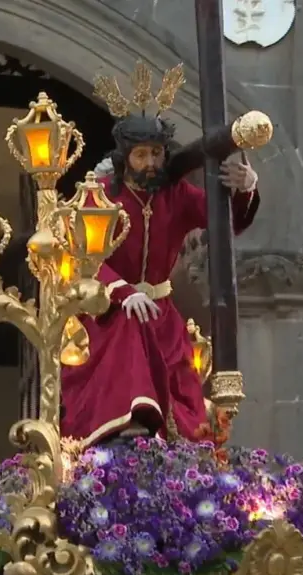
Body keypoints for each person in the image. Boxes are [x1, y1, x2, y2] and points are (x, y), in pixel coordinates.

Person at [61, 63, 261, 448]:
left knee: (186, 410)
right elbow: (83, 256)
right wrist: (122, 292)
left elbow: (226, 224)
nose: (151, 163)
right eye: (141, 155)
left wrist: (245, 189)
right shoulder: (99, 196)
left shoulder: (177, 195)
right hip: (111, 315)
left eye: (156, 153)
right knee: (126, 377)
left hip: (162, 314)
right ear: (125, 157)